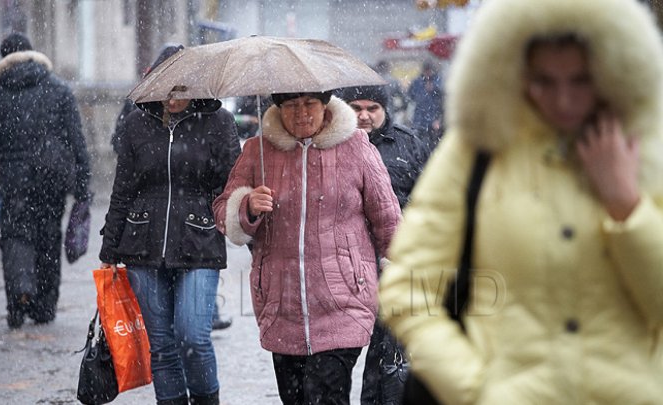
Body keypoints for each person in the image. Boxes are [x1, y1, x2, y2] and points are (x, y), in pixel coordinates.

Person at [378, 0, 663, 403]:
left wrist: (626, 206)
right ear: (515, 73)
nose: (563, 100)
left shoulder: (649, 151)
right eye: (544, 81)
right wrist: (472, 387)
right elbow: (408, 289)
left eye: (580, 80)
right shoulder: (475, 152)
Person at [213, 91, 401, 404]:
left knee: (326, 395)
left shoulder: (356, 146)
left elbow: (387, 216)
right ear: (278, 108)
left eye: (309, 104)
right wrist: (247, 205)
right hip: (280, 302)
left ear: (325, 104)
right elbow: (224, 213)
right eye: (291, 105)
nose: (301, 113)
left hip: (344, 299)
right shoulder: (257, 151)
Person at [98, 52, 241, 404]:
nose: (174, 96)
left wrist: (248, 224)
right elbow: (123, 189)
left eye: (182, 86)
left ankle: (207, 399)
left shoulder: (218, 121)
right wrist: (109, 250)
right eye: (167, 86)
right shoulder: (136, 123)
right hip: (142, 243)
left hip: (199, 240)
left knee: (193, 337)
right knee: (161, 344)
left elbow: (232, 184)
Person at [0, 32, 91, 329]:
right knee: (49, 237)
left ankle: (18, 295)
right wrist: (82, 183)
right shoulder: (59, 89)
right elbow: (77, 141)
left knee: (15, 235)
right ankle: (45, 306)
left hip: (14, 180)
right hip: (52, 176)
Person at [337, 85, 429, 404]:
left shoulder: (408, 143)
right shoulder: (330, 144)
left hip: (396, 260)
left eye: (372, 108)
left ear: (385, 110)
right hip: (344, 262)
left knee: (388, 353)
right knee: (336, 357)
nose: (364, 115)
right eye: (356, 107)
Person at [407, 59, 444, 148]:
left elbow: (443, 99)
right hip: (419, 118)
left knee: (433, 143)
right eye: (426, 71)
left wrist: (435, 89)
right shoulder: (417, 81)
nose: (427, 73)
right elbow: (410, 96)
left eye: (429, 71)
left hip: (433, 117)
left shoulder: (438, 80)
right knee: (418, 142)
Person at [372, 61, 408, 127]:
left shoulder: (373, 79)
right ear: (388, 68)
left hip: (375, 111)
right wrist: (400, 108)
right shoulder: (394, 81)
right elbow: (404, 98)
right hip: (390, 111)